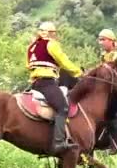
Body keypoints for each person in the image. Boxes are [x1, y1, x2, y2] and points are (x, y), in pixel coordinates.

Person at [26, 21, 83, 156]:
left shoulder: (32, 46)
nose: (55, 36)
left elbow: (28, 65)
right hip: (47, 82)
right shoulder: (51, 44)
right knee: (63, 108)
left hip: (35, 82)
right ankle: (58, 143)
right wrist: (78, 73)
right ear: (49, 33)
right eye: (54, 33)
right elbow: (64, 61)